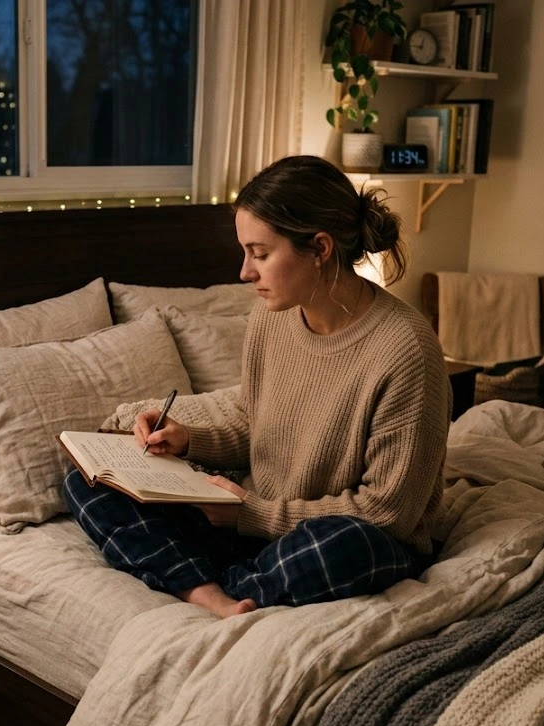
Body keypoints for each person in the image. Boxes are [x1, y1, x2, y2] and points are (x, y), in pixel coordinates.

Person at [64, 155, 451, 618]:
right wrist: (188, 440)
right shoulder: (272, 319)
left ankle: (196, 575)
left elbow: (389, 513)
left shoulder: (405, 348)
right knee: (86, 479)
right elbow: (256, 424)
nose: (246, 272)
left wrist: (253, 515)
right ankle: (215, 593)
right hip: (252, 523)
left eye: (261, 254)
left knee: (350, 547)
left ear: (321, 248)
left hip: (337, 535)